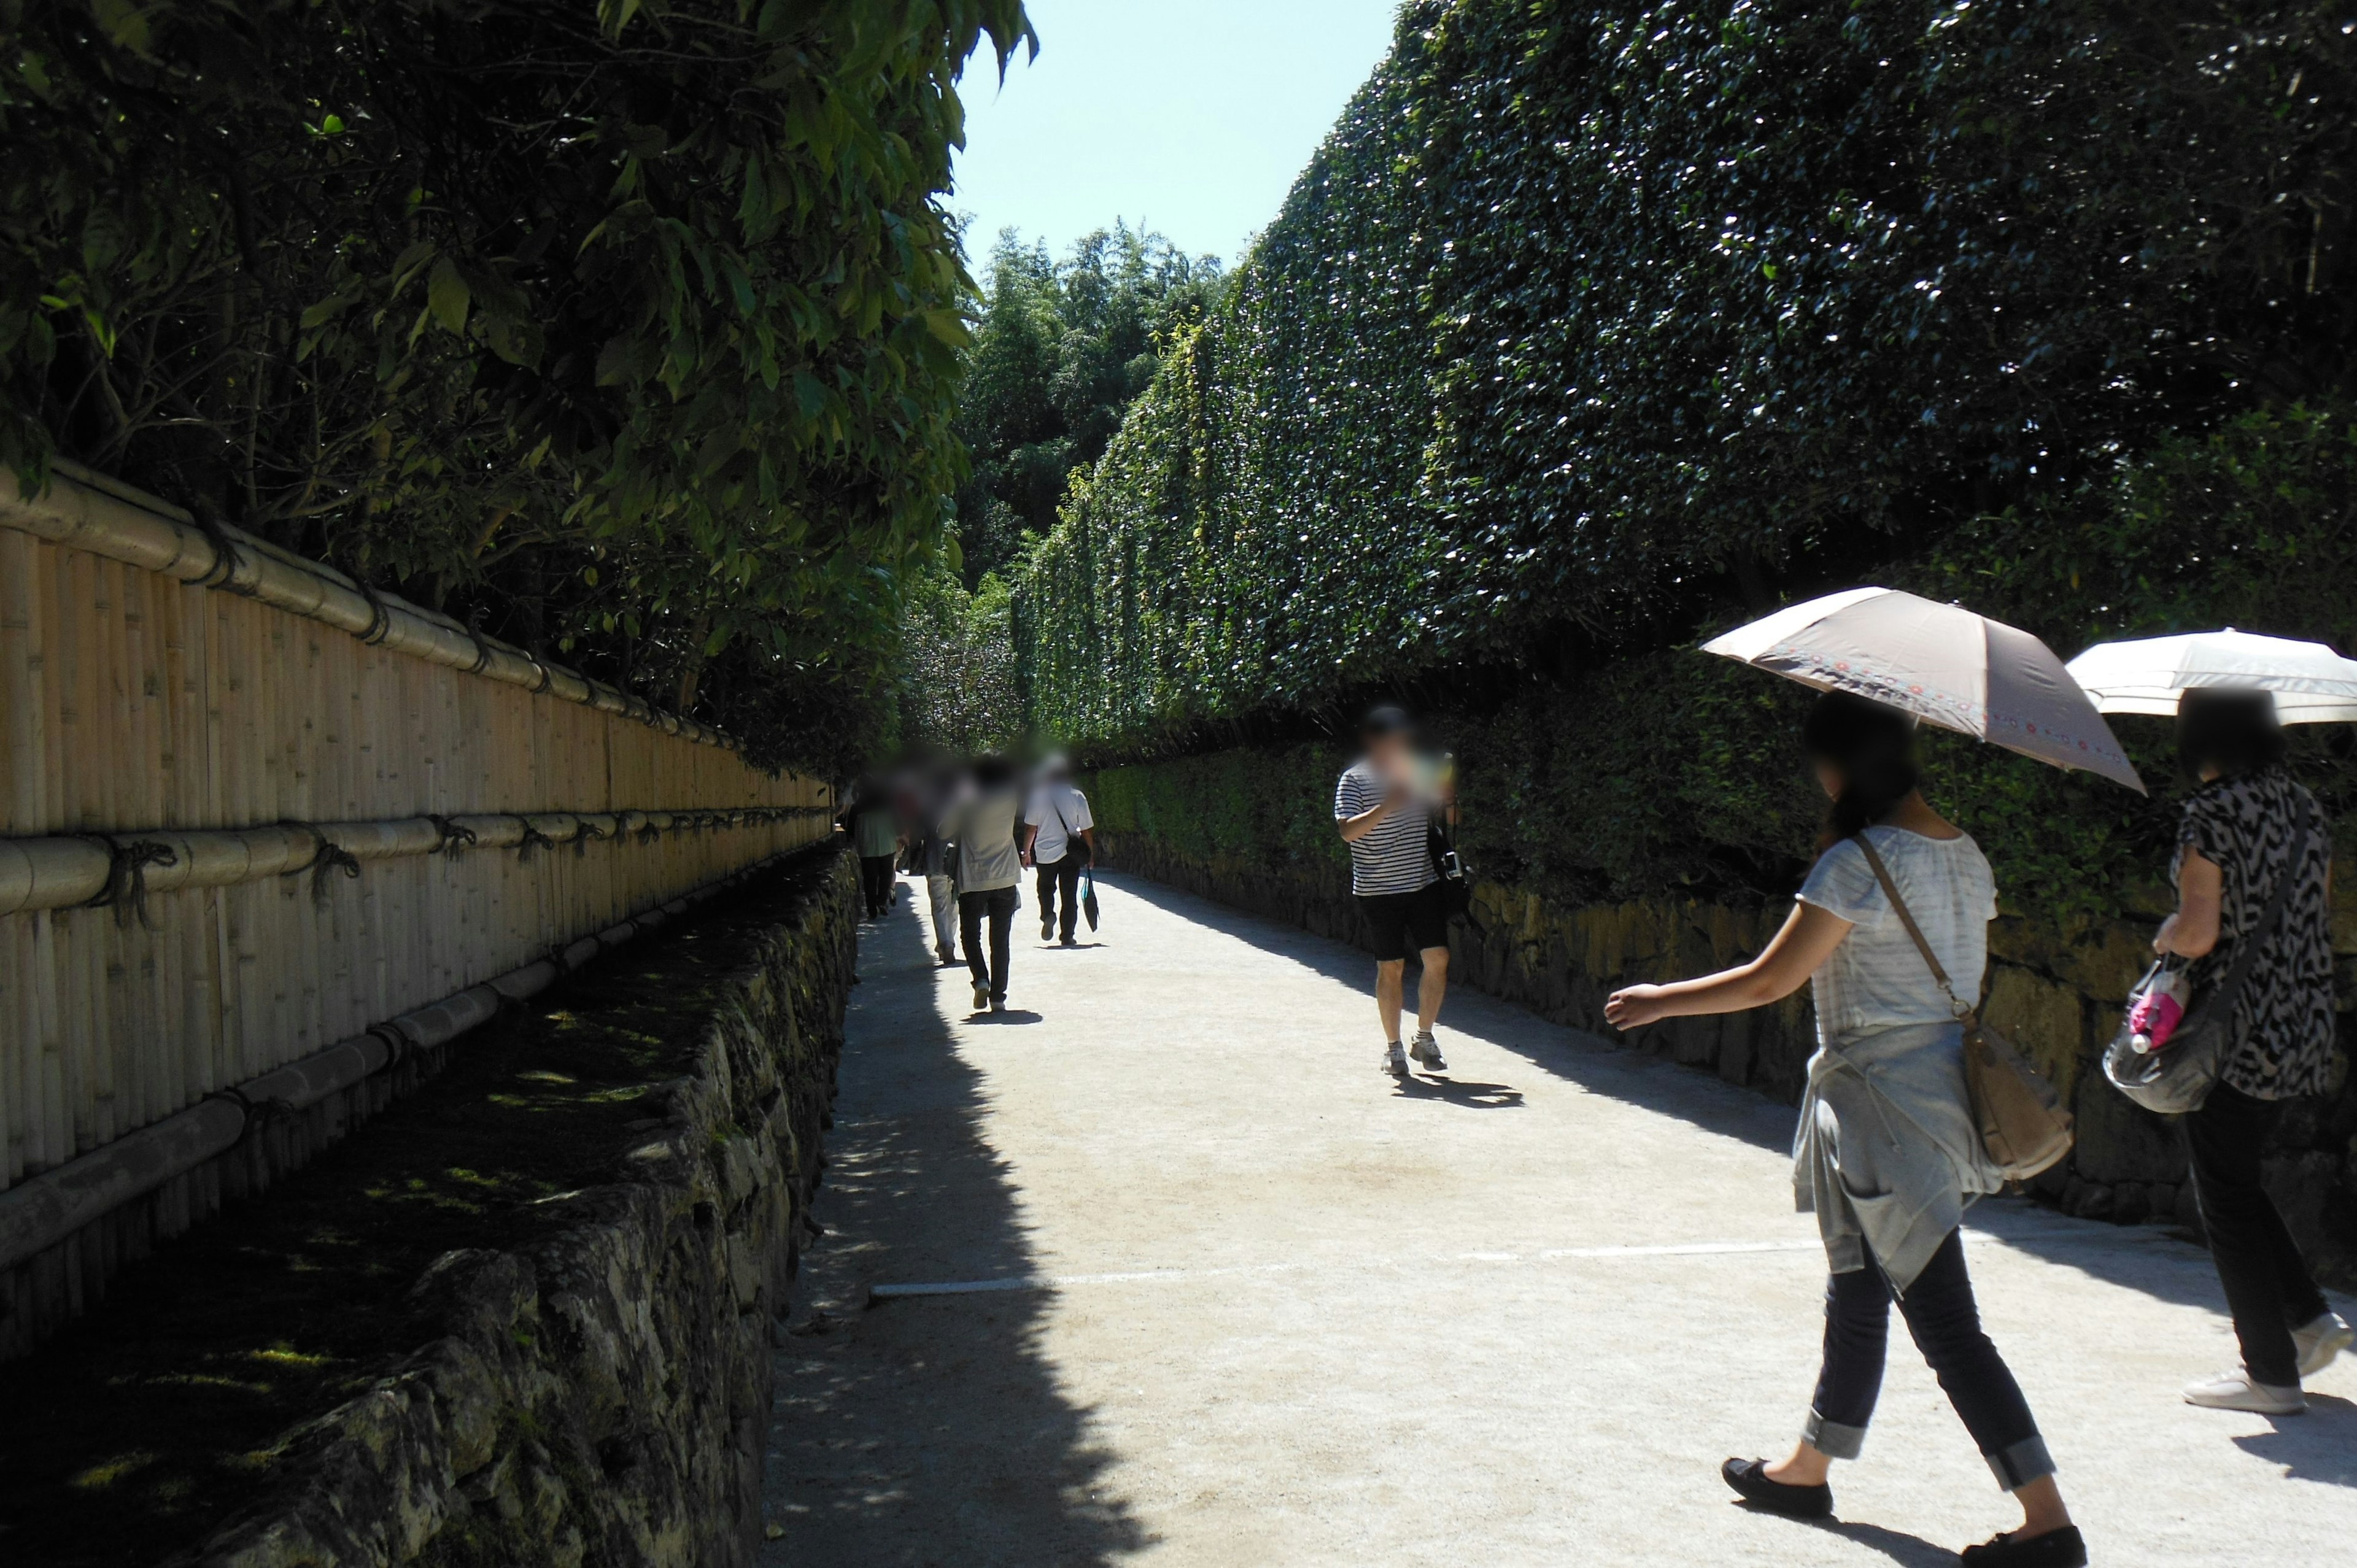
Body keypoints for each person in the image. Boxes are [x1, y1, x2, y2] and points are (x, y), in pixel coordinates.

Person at [1604, 692, 2081, 1568]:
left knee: (1946, 1323)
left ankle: (2047, 1518)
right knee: (1859, 1287)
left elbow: (1767, 981)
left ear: (1838, 769)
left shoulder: (1857, 862)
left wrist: (1660, 998)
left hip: (1882, 1110)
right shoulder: (1965, 853)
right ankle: (1808, 1466)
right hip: (1931, 1098)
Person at [2154, 688, 2349, 1414]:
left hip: (2233, 1032)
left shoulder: (2211, 812)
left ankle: (2269, 1372)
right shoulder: (2303, 804)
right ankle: (2308, 1319)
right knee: (2238, 1180)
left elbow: (2201, 934)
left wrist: (2168, 931)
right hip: (2302, 1019)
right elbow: (2310, 905)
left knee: (2224, 1199)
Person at [1334, 706, 1453, 1077]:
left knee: (1438, 959)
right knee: (1392, 967)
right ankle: (1393, 1048)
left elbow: (1451, 820)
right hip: (1377, 889)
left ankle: (1425, 1037)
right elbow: (1347, 832)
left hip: (1422, 883)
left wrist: (1448, 796)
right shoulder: (1353, 780)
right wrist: (1388, 806)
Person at [946, 753, 1024, 1013]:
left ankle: (981, 978)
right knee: (1000, 940)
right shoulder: (1010, 798)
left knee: (970, 935)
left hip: (973, 877)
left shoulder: (968, 799)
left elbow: (943, 831)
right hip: (1005, 877)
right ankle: (998, 997)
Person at [1022, 755, 1097, 946]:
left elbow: (1031, 828)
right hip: (1071, 854)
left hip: (1046, 853)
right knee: (1069, 895)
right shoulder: (1077, 796)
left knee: (1045, 889)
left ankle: (1048, 914)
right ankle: (1067, 936)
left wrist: (1027, 852)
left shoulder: (1038, 796)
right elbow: (1087, 830)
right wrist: (1090, 854)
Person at [908, 767, 962, 966]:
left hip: (933, 860)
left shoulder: (927, 803)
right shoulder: (962, 803)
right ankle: (949, 942)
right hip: (957, 861)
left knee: (939, 905)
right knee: (954, 904)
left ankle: (946, 943)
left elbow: (917, 833)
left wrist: (913, 855)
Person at [839, 778, 903, 921]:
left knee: (870, 879)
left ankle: (871, 908)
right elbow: (899, 827)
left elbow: (849, 830)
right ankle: (881, 901)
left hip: (867, 847)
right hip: (887, 845)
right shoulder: (889, 805)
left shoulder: (857, 807)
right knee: (886, 876)